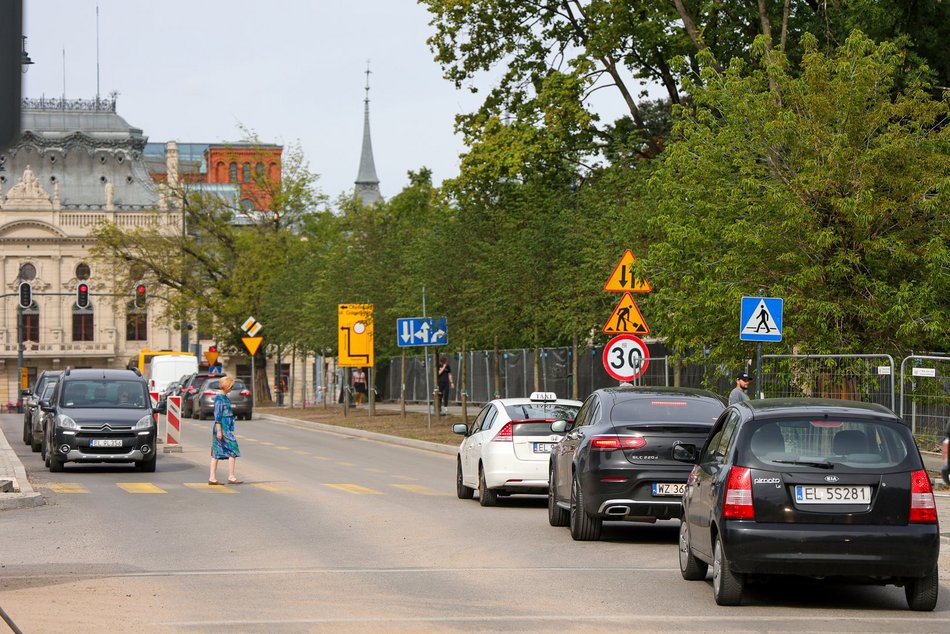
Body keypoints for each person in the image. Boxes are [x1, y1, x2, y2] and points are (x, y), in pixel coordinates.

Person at [209, 376, 242, 485]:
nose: (232, 388)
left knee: (217, 452)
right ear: (226, 386)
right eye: (231, 386)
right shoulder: (219, 399)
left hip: (226, 427)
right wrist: (219, 431)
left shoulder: (225, 398)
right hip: (222, 428)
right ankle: (230, 477)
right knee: (232, 449)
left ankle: (213, 478)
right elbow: (217, 416)